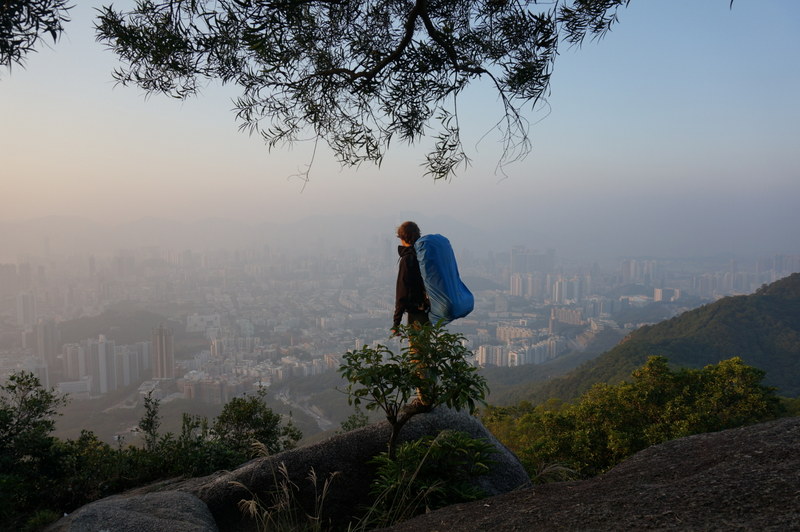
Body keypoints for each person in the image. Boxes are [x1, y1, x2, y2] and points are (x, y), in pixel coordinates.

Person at [392, 221, 430, 334]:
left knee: (417, 349)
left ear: (402, 238)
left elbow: (402, 291)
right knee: (424, 346)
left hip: (416, 313)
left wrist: (396, 323)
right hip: (428, 310)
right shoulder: (422, 255)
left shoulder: (408, 259)